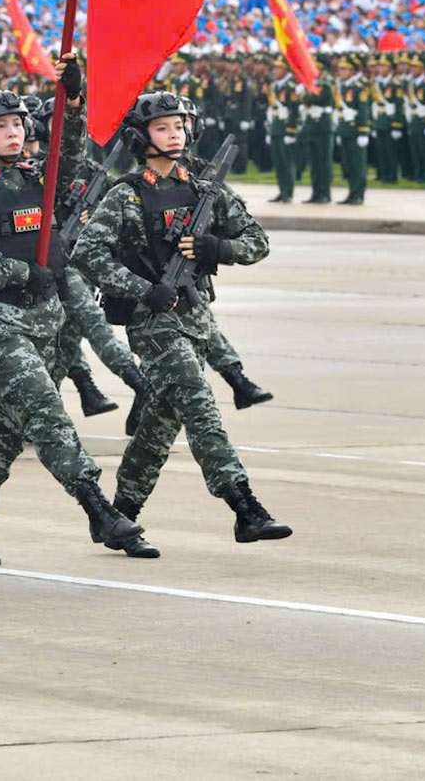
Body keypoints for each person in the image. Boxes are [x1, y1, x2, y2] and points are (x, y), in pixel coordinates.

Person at [0, 81, 148, 566]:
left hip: (43, 320)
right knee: (49, 415)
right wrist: (18, 271)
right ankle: (100, 512)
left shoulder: (39, 176)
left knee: (6, 428)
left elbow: (68, 154)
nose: (13, 133)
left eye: (17, 124)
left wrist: (73, 104)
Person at [73, 91, 291, 546]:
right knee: (199, 404)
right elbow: (86, 253)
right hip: (151, 324)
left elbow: (257, 240)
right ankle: (244, 506)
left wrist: (220, 248)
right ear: (141, 137)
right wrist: (142, 289)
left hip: (196, 319)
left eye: (179, 126)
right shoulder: (126, 195)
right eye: (162, 128)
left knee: (158, 424)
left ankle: (119, 517)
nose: (174, 135)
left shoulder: (205, 190)